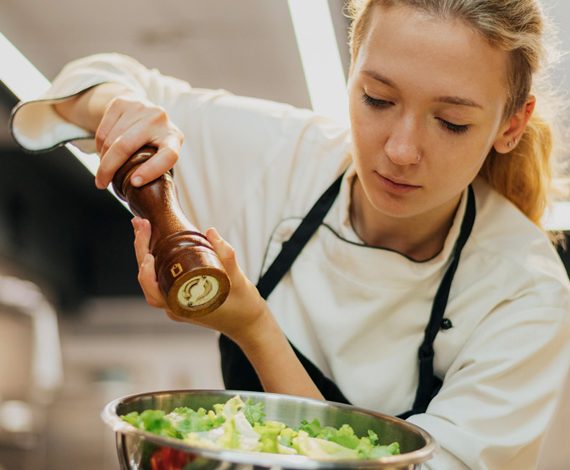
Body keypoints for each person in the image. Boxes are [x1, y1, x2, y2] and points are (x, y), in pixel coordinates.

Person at [10, 0, 570, 468]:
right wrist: (122, 111)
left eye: (451, 122)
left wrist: (254, 328)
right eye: (377, 98)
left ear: (511, 125)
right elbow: (91, 78)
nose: (401, 150)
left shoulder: (525, 290)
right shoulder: (279, 157)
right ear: (352, 72)